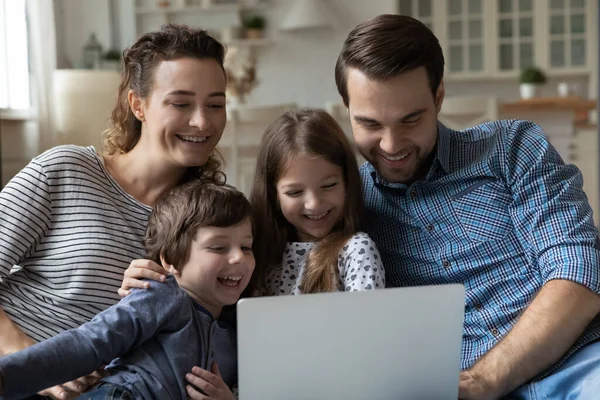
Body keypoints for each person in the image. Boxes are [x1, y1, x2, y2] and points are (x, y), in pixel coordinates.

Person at [334, 14, 600, 399]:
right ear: (348, 108)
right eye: (370, 124)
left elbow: (579, 273)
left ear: (438, 96)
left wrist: (487, 379)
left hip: (579, 364)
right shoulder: (346, 201)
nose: (391, 145)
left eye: (411, 120)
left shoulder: (512, 148)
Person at [0, 24, 228, 399]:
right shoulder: (65, 169)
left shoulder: (210, 218)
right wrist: (32, 359)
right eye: (181, 103)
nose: (203, 122)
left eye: (215, 105)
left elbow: (211, 327)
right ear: (138, 105)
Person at [0, 181, 253, 400]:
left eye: (246, 247)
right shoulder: (162, 295)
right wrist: (9, 376)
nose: (238, 258)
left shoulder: (237, 333)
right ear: (171, 260)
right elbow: (90, 342)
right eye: (219, 248)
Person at [249, 108, 385, 295]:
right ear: (273, 194)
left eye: (328, 185)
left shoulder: (355, 251)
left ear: (347, 181)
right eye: (295, 192)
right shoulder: (258, 256)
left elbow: (368, 321)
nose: (314, 204)